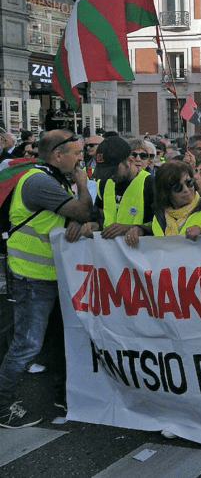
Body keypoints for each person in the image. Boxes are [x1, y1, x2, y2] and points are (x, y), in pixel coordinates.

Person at [0, 130, 94, 427]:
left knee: (53, 342)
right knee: (26, 345)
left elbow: (75, 218)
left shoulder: (48, 177)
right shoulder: (39, 180)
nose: (82, 159)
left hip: (50, 276)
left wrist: (84, 221)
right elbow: (81, 210)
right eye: (77, 154)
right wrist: (82, 186)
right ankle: (2, 405)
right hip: (34, 278)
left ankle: (62, 394)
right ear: (58, 155)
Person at [124, 160, 201, 246]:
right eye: (178, 187)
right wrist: (140, 230)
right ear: (165, 192)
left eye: (189, 182)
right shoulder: (158, 214)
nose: (186, 190)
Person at [92, 137, 154, 238]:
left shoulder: (150, 184)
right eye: (105, 171)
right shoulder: (104, 183)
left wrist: (138, 229)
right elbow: (100, 217)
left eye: (113, 170)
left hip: (139, 250)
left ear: (130, 160)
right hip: (110, 249)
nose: (110, 176)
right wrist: (94, 225)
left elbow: (163, 226)